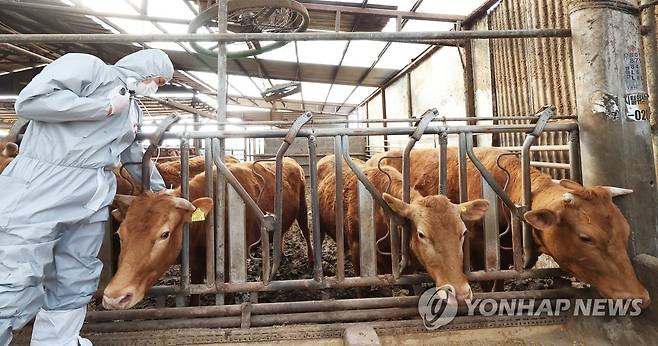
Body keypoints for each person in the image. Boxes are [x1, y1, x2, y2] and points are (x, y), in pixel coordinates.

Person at [0, 49, 173, 345]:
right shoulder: (88, 68)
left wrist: (159, 189)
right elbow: (29, 102)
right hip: (44, 185)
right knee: (18, 270)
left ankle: (58, 340)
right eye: (158, 79)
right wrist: (101, 107)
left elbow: (132, 156)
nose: (156, 85)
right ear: (147, 68)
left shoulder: (133, 109)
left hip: (93, 196)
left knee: (76, 273)